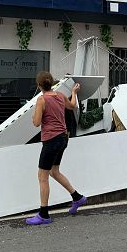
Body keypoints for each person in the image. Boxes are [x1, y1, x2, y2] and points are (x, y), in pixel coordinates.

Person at [26, 71, 86, 225]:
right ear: (52, 83)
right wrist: (73, 92)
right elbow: (72, 106)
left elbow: (36, 123)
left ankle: (44, 215)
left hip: (51, 140)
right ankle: (77, 197)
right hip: (62, 139)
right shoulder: (59, 95)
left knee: (42, 176)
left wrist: (34, 113)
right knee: (54, 171)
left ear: (39, 85)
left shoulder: (41, 100)